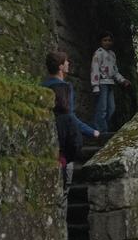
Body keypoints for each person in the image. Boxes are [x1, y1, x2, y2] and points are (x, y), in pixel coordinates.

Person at [42, 50, 99, 200]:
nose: (68, 63)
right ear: (61, 67)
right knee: (64, 188)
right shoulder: (65, 88)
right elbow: (69, 116)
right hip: (65, 141)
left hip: (48, 139)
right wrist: (91, 132)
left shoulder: (43, 86)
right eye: (66, 61)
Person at [90, 31, 131, 134]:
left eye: (109, 40)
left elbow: (115, 71)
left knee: (111, 108)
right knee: (102, 108)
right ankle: (101, 131)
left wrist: (122, 80)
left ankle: (100, 127)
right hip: (101, 83)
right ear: (100, 41)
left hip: (110, 83)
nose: (107, 42)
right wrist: (95, 86)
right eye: (105, 40)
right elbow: (94, 69)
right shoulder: (98, 53)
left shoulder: (112, 55)